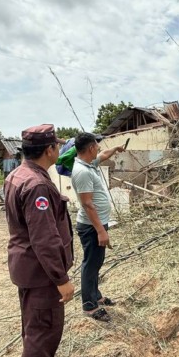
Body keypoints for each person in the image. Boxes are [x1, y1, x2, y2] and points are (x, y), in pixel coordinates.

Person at [4, 124, 75, 357]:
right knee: (43, 329)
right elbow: (44, 239)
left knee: (35, 325)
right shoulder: (38, 185)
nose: (59, 149)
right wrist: (61, 279)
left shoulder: (18, 175)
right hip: (42, 272)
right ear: (49, 150)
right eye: (56, 146)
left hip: (29, 267)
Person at [71, 132, 126, 322]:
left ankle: (96, 296)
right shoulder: (82, 172)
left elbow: (103, 156)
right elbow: (87, 204)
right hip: (91, 227)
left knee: (96, 262)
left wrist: (117, 149)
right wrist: (101, 231)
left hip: (97, 224)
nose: (100, 148)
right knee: (90, 264)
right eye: (97, 145)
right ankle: (89, 306)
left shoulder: (89, 163)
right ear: (91, 148)